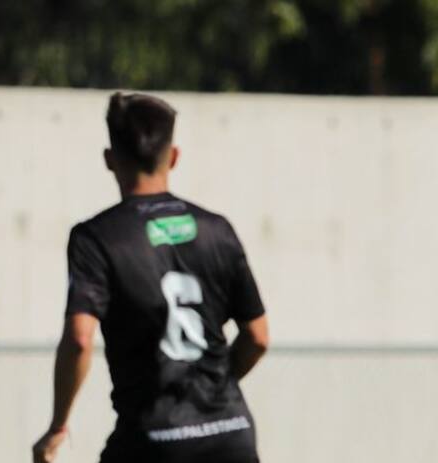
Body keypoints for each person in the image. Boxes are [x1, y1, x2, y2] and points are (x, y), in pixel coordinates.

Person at [32, 93, 269, 463]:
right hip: (231, 434)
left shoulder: (95, 238)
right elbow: (258, 338)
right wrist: (214, 391)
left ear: (110, 160)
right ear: (173, 156)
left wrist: (58, 426)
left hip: (154, 440)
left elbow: (80, 340)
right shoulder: (217, 230)